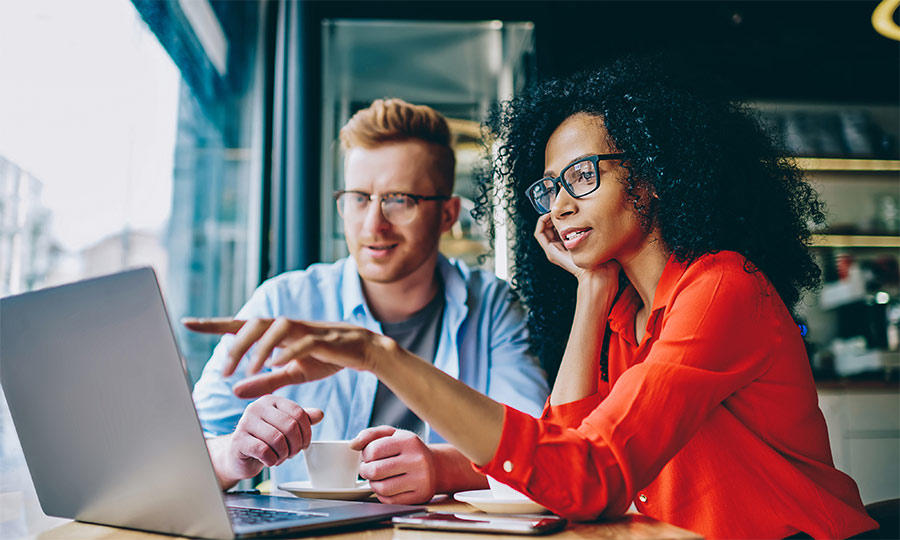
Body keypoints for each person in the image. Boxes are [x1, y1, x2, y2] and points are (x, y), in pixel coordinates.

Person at [186, 57, 878, 539]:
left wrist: (379, 356)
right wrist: (591, 288)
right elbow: (569, 453)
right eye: (550, 188)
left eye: (582, 175)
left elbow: (586, 473)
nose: (562, 204)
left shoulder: (721, 288)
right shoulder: (622, 313)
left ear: (656, 175)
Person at [189, 98, 550, 504]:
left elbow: (539, 451)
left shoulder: (491, 305)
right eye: (359, 198)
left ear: (448, 215)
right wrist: (232, 456)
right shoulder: (284, 301)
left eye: (399, 200)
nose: (373, 224)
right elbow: (182, 450)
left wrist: (441, 467)